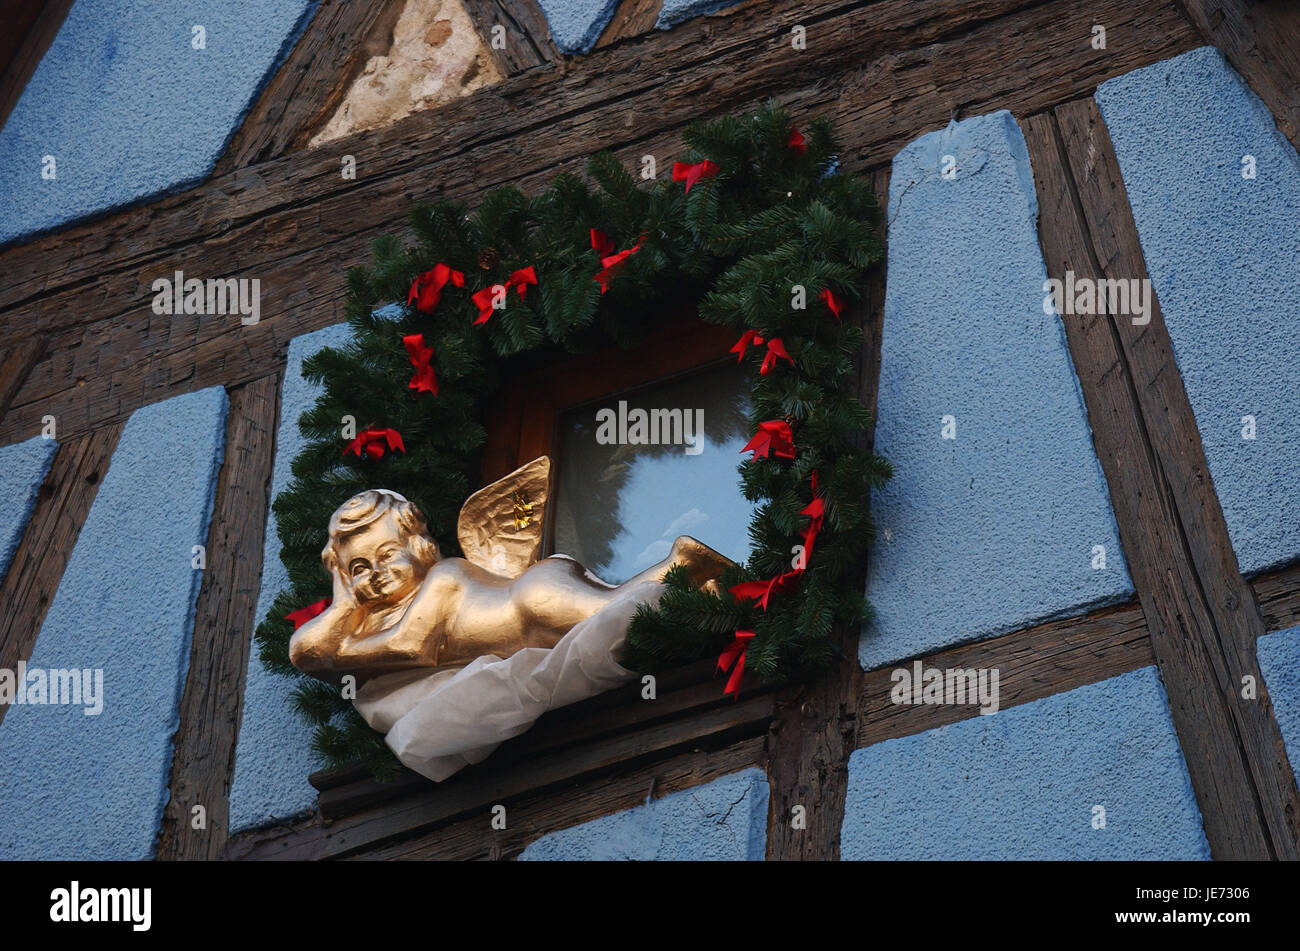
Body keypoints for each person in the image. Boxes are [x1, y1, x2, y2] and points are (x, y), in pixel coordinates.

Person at [289, 488, 731, 683]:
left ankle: (683, 563)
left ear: (421, 548)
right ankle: (703, 593)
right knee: (613, 618)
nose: (376, 574)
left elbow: (413, 648)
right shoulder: (375, 620)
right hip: (528, 631)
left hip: (532, 599)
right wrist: (345, 602)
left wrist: (340, 652)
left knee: (608, 613)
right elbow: (302, 653)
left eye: (387, 556)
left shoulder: (444, 577)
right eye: (360, 568)